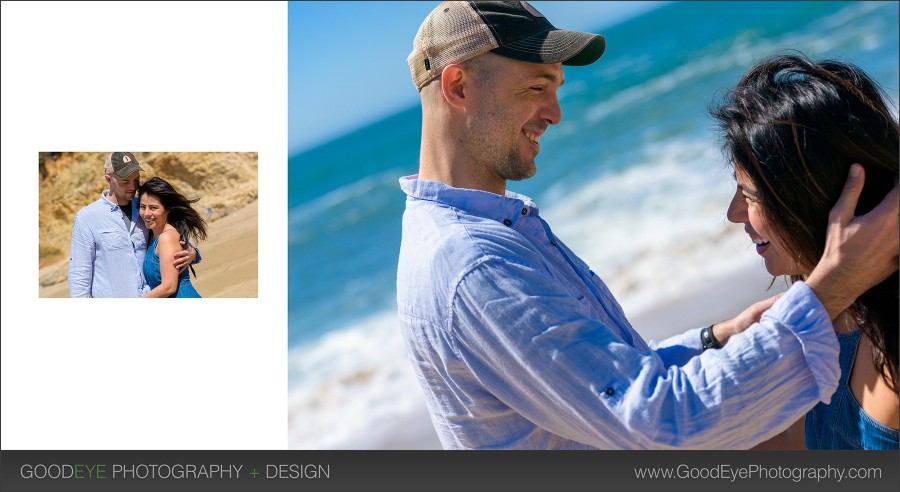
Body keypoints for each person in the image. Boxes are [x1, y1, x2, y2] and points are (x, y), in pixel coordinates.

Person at [395, 1, 899, 449]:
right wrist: (834, 286)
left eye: (556, 89)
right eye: (535, 87)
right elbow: (663, 425)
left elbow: (599, 379)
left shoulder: (481, 232)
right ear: (458, 86)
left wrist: (716, 338)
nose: (555, 113)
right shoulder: (474, 262)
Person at [711, 53, 899, 450]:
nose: (732, 213)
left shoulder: (886, 344)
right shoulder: (818, 320)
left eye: (750, 195)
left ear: (813, 198)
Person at [68, 152, 200, 297]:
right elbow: (79, 275)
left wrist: (193, 253)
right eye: (125, 182)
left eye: (136, 180)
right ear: (108, 179)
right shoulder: (87, 217)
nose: (132, 187)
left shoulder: (145, 209)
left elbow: (169, 236)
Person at [138, 177, 207, 298]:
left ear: (168, 209)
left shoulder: (167, 237)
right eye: (143, 207)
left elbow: (169, 286)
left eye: (153, 208)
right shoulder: (152, 235)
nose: (147, 213)